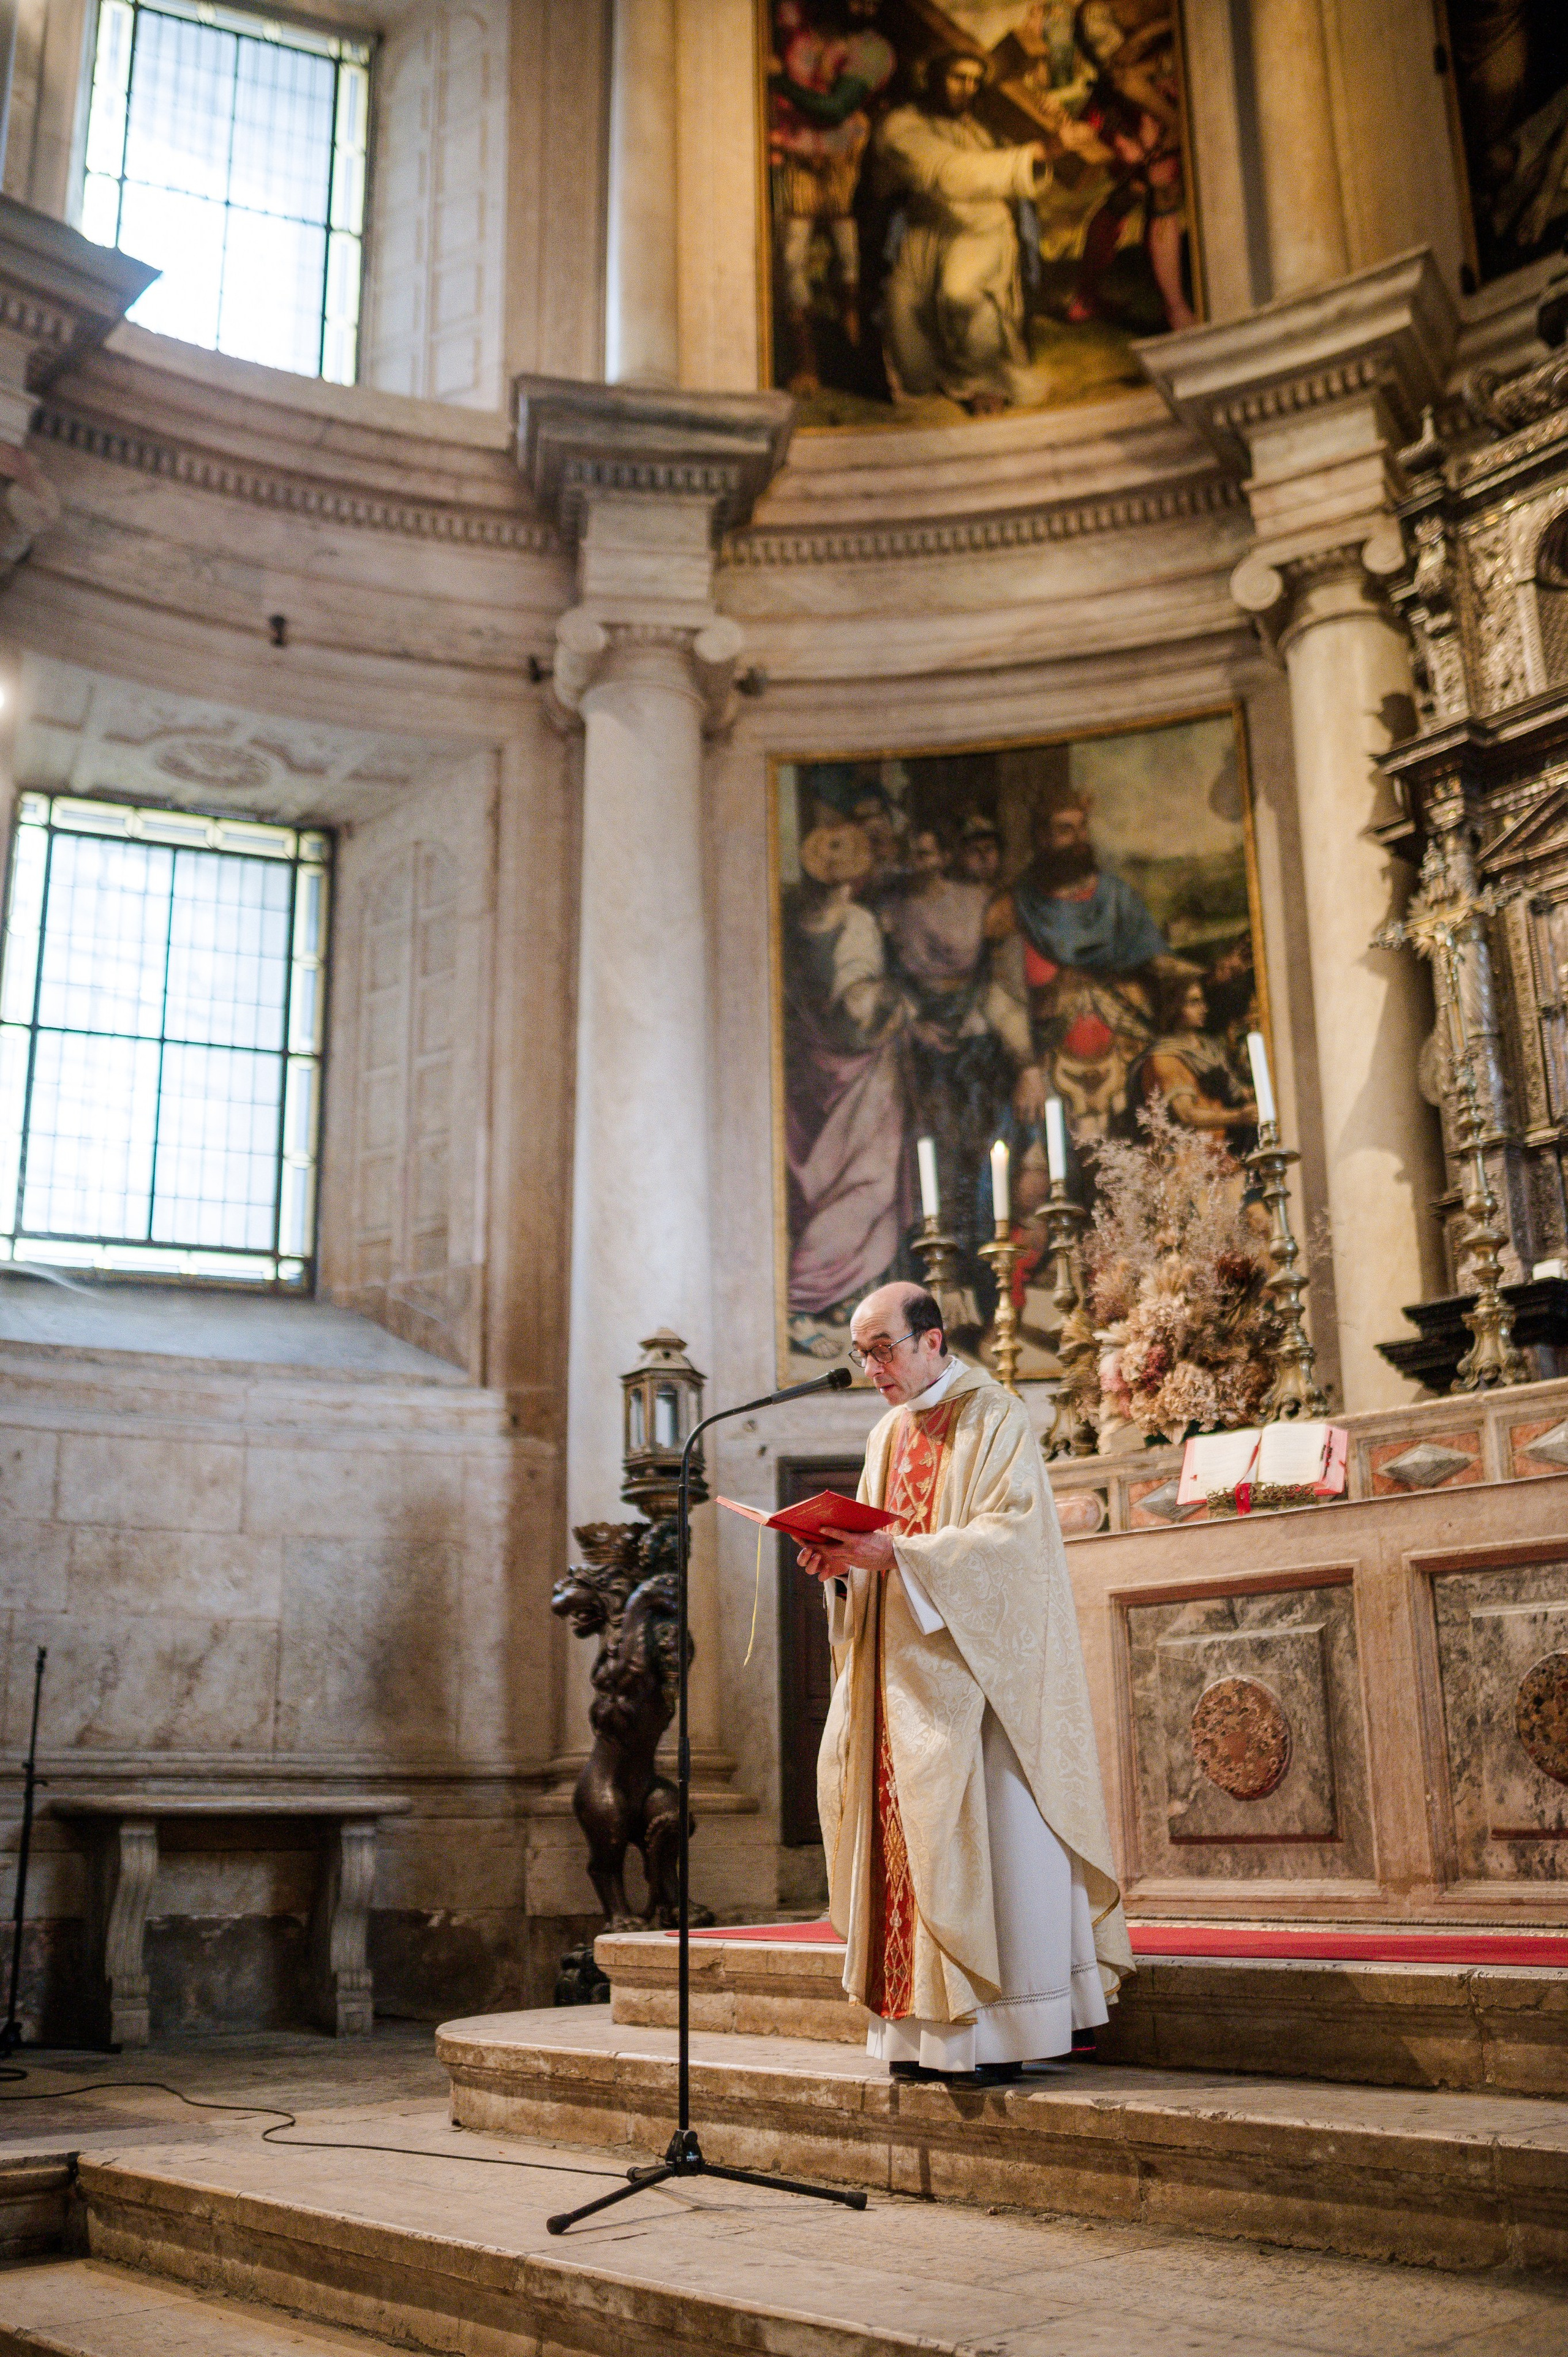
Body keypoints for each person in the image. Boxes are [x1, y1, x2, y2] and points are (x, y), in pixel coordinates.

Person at [797, 1280, 1132, 2080]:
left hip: (976, 1687)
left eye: (883, 1349)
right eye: (862, 1354)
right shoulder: (886, 1435)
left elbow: (1015, 1545)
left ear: (933, 1340)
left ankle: (996, 2037)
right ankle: (918, 2036)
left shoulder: (995, 1416)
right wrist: (842, 1568)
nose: (873, 1368)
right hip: (899, 1687)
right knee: (907, 1855)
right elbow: (874, 1548)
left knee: (993, 1849)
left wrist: (900, 1556)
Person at [873, 51, 1097, 415]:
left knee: (962, 293)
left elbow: (1028, 173)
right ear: (934, 76)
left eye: (975, 81)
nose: (967, 88)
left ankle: (986, 386)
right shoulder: (902, 125)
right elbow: (946, 173)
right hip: (925, 231)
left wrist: (1051, 125)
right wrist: (1040, 151)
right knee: (909, 341)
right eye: (957, 77)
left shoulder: (984, 127)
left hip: (984, 228)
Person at [987, 778, 1169, 1136]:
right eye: (1065, 830)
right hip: (1048, 1071)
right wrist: (1026, 1067)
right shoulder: (1010, 910)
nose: (1079, 838)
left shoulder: (1118, 899)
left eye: (1082, 827)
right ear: (1042, 837)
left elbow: (1155, 969)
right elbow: (1000, 995)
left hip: (1126, 1063)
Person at [783, 823, 908, 1328]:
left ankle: (831, 1291)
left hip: (812, 1066)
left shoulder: (789, 921)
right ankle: (813, 1289)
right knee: (871, 1182)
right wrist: (892, 1007)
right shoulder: (856, 922)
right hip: (860, 1070)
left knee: (838, 1186)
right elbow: (858, 1002)